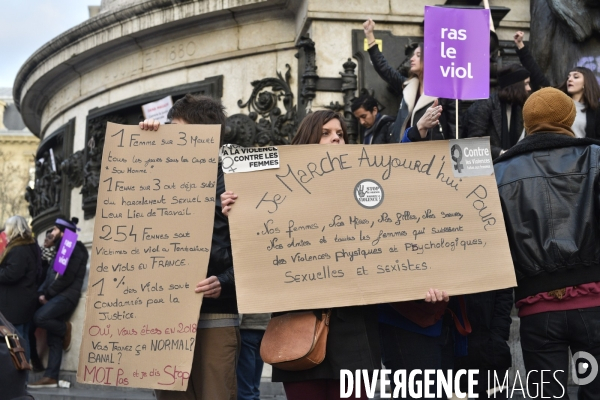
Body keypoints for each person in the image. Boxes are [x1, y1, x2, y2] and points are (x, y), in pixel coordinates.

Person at [221, 110, 449, 400]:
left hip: (354, 332)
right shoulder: (276, 191)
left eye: (340, 134)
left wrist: (416, 132)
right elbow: (252, 249)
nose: (335, 139)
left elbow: (395, 178)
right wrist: (234, 212)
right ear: (308, 140)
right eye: (326, 133)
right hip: (297, 330)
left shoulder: (363, 186)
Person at [494, 87, 600, 399]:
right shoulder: (595, 158)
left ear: (527, 123)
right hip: (594, 303)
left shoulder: (498, 173)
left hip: (536, 309)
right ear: (569, 117)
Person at [139, 94, 240, 400]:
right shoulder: (158, 174)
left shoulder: (235, 181)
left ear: (200, 135)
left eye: (175, 128)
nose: (168, 133)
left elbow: (258, 253)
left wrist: (224, 282)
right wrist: (140, 146)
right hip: (165, 319)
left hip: (215, 317)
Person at [363, 18, 456, 143]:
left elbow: (454, 126)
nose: (412, 59)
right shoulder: (407, 86)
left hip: (432, 154)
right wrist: (369, 35)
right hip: (404, 152)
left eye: (418, 55)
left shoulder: (444, 92)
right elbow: (384, 69)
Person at [28, 217, 88, 389]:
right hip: (55, 296)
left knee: (40, 318)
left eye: (54, 229)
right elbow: (50, 276)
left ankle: (64, 329)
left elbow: (66, 278)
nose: (51, 232)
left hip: (67, 296)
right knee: (53, 338)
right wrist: (42, 293)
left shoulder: (75, 248)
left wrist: (48, 294)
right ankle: (51, 377)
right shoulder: (61, 248)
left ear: (62, 231)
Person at [514, 31, 600, 139]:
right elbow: (536, 74)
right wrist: (520, 45)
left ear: (586, 83)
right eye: (568, 77)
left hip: (581, 155)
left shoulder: (595, 111)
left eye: (576, 77)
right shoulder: (556, 100)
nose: (570, 79)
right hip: (556, 154)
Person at [465, 64, 532, 159]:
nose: (529, 88)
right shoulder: (485, 104)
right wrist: (501, 153)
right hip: (487, 164)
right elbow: (474, 141)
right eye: (525, 84)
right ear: (515, 86)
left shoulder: (519, 106)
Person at [0, 216, 40, 364]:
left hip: (15, 303)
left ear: (14, 228)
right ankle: (22, 377)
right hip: (22, 300)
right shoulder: (28, 245)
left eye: (7, 227)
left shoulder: (18, 249)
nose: (5, 230)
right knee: (22, 339)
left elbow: (11, 275)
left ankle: (18, 377)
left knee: (17, 340)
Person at [29, 229, 57, 372]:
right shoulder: (38, 256)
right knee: (29, 330)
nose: (46, 240)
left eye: (50, 237)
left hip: (43, 299)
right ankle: (35, 361)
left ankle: (35, 362)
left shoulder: (55, 260)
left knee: (30, 329)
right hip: (33, 297)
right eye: (46, 237)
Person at [236, 313, 270, 400]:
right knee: (254, 388)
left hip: (246, 325)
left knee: (245, 389)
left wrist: (236, 325)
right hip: (264, 325)